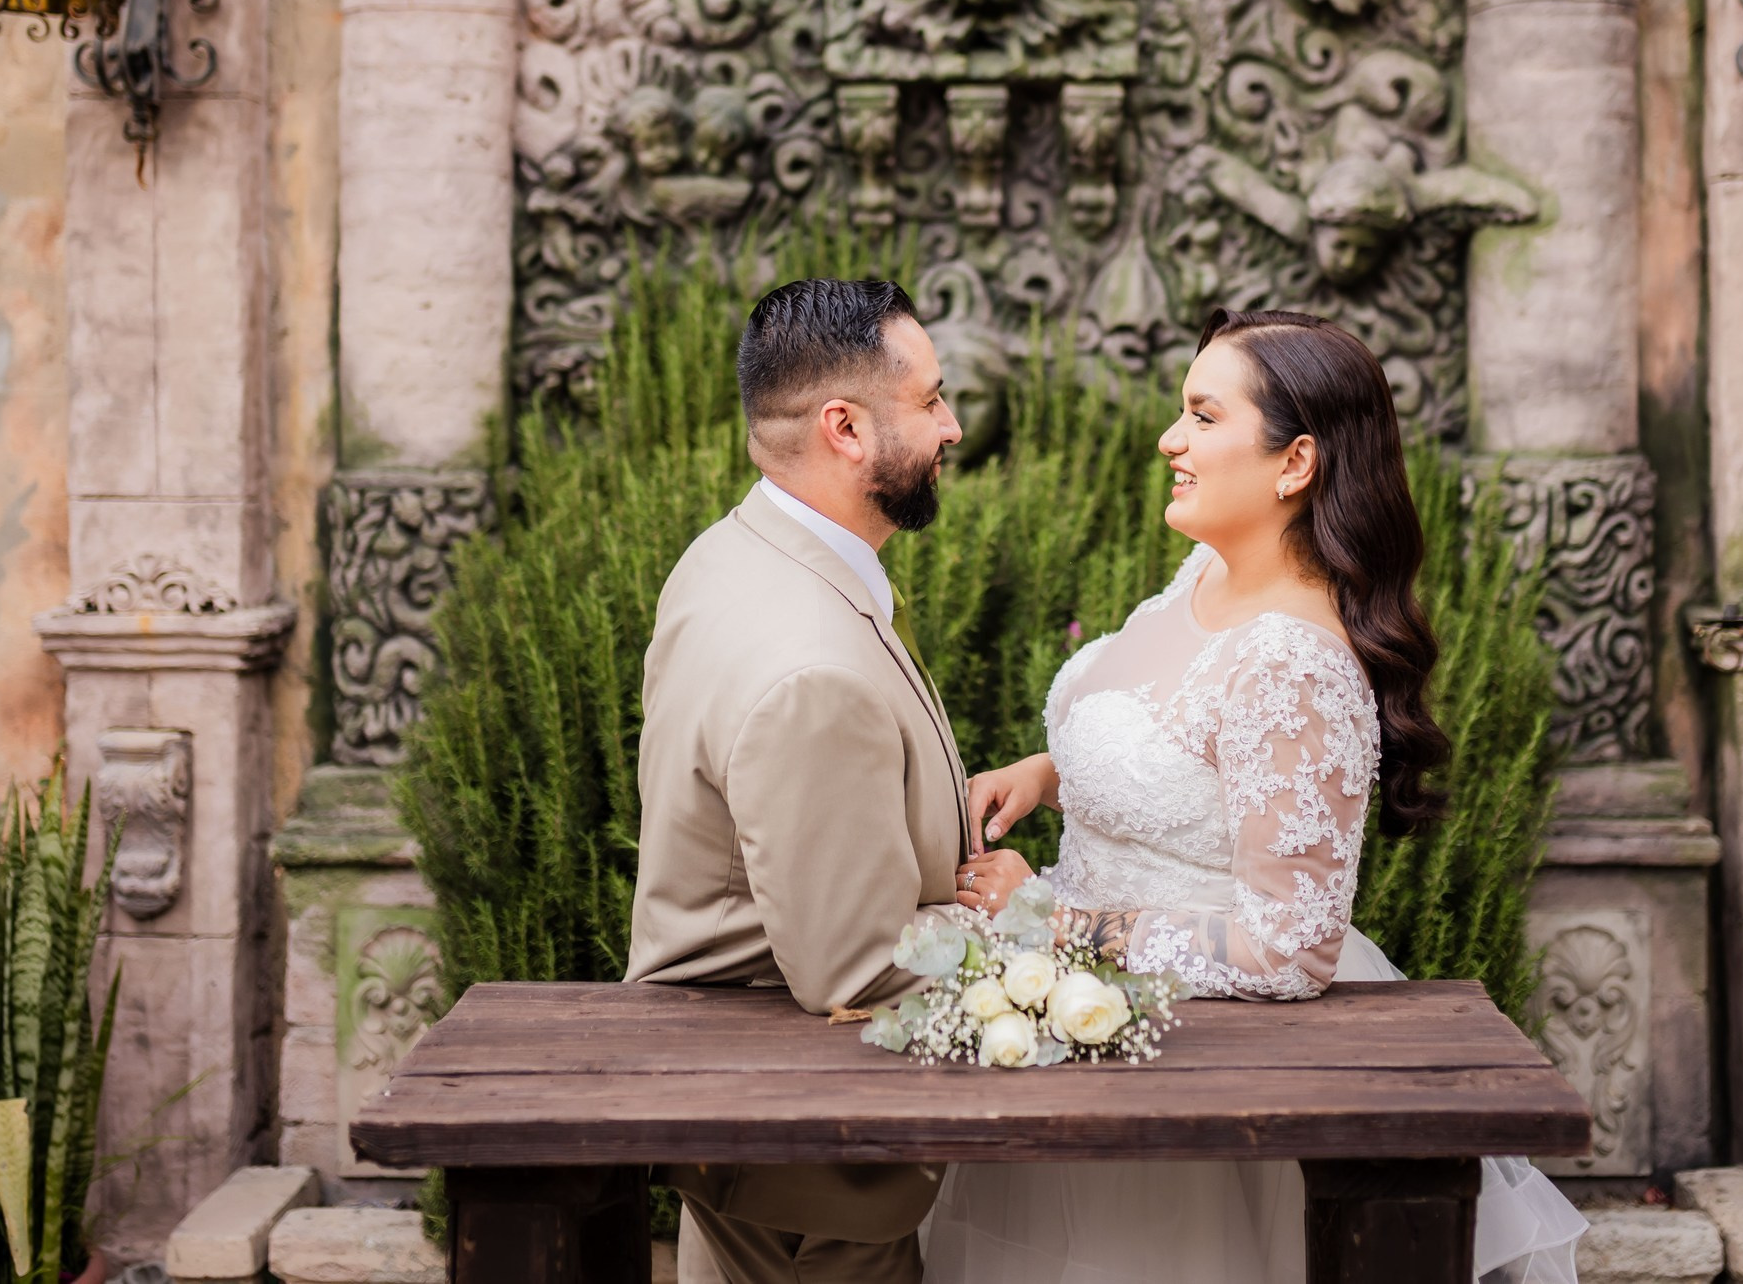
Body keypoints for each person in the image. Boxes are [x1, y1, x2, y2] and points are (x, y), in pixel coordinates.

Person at [925, 308, 1586, 1284]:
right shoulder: (1208, 570)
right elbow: (1175, 727)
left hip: (1203, 1064)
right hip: (1091, 1023)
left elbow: (1289, 950)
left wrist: (1060, 921)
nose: (1168, 438)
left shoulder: (1291, 662)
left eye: (1200, 414)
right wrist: (1050, 766)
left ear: (1295, 462)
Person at [626, 277, 1033, 1284]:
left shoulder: (735, 555)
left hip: (741, 1124)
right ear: (844, 427)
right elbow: (857, 972)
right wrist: (1040, 932)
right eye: (931, 398)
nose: (949, 426)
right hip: (810, 1174)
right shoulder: (811, 666)